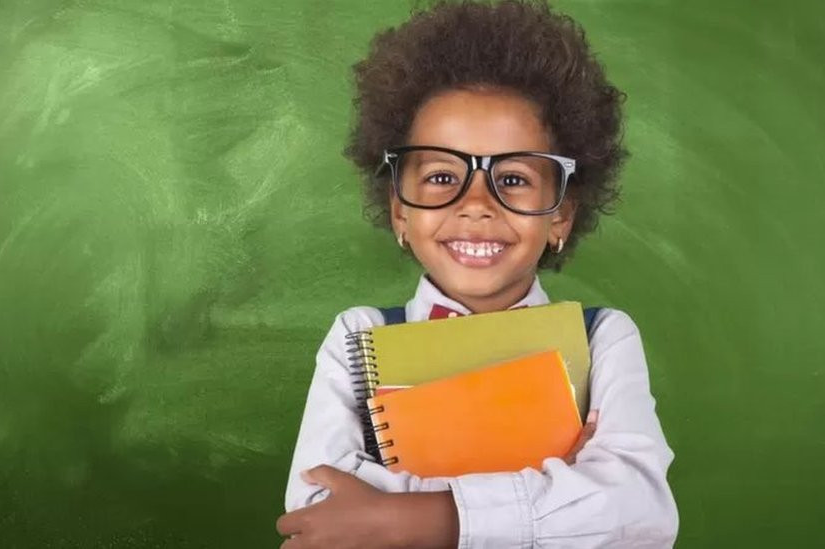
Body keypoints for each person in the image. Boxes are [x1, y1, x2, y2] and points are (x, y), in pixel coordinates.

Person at [277, 1, 678, 547]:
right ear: (400, 209)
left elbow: (640, 514)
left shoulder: (605, 337)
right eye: (442, 175)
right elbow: (320, 513)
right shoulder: (357, 335)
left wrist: (401, 516)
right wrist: (564, 491)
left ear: (561, 213)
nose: (476, 204)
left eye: (512, 180)